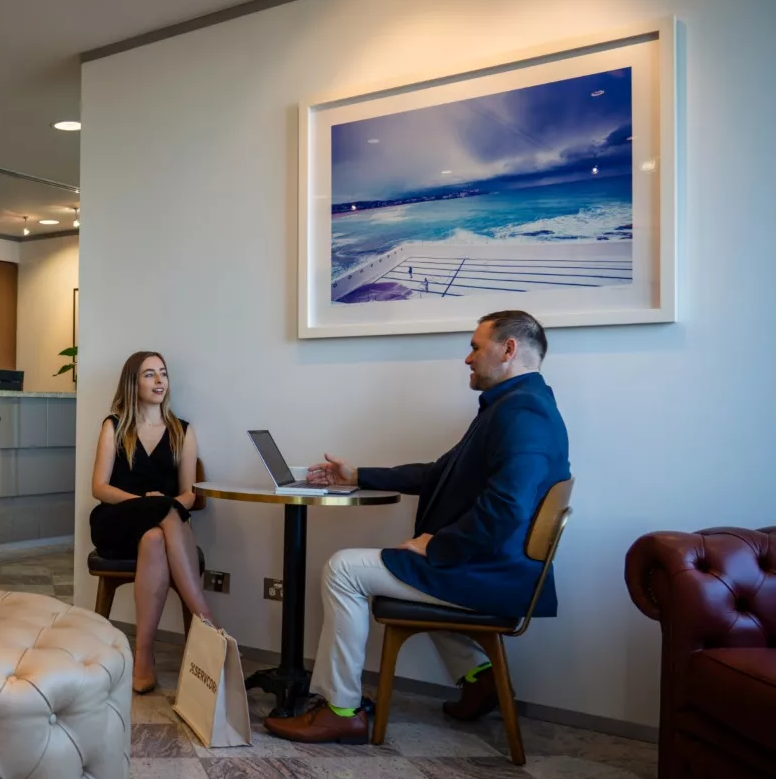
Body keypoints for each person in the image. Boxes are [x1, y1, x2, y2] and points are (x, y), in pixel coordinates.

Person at [265, 310, 570, 745]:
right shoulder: (512, 406)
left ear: (509, 350)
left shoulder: (523, 413)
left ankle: (340, 710)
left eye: (475, 347)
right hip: (494, 567)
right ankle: (479, 678)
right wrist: (357, 475)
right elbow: (437, 473)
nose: (468, 359)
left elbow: (509, 506)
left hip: (494, 574)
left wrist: (439, 545)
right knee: (396, 569)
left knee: (342, 568)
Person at [90, 351, 216, 694]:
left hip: (160, 528)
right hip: (117, 521)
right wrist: (146, 504)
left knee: (155, 539)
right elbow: (99, 487)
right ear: (133, 383)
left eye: (163, 373)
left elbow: (190, 494)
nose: (159, 380)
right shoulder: (114, 426)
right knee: (162, 512)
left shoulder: (182, 431)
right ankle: (208, 622)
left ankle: (143, 658)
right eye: (149, 374)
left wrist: (162, 507)